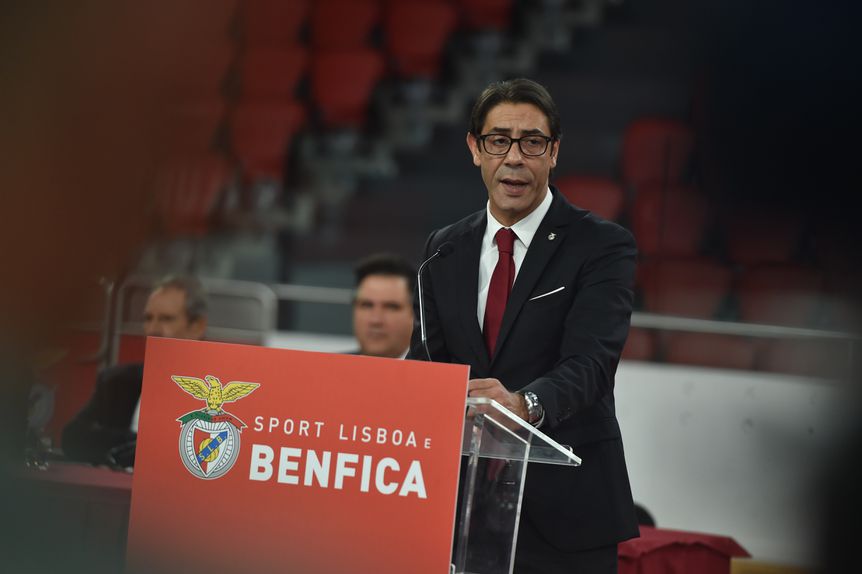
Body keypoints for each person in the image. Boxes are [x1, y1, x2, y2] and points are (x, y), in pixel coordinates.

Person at [409, 78, 639, 573]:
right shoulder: (443, 248)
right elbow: (427, 363)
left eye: (532, 142)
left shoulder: (601, 246)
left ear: (553, 152)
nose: (514, 158)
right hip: (455, 507)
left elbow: (592, 363)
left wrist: (523, 404)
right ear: (475, 149)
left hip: (564, 517)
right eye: (498, 141)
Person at [62, 274, 208, 467]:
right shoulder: (116, 381)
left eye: (166, 319)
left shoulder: (214, 392)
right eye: (148, 318)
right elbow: (73, 438)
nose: (153, 329)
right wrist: (140, 445)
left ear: (197, 326)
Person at [352, 253, 416, 359]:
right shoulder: (330, 366)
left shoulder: (436, 367)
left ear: (415, 314)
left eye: (391, 307)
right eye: (367, 305)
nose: (376, 320)